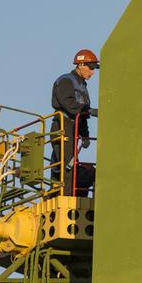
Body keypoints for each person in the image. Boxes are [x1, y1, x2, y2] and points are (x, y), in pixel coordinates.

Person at [51, 48, 99, 193]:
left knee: (68, 162)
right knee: (67, 164)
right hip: (62, 126)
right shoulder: (65, 81)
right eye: (90, 68)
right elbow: (69, 105)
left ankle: (69, 192)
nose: (92, 72)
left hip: (75, 127)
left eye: (94, 69)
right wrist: (88, 110)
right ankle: (65, 196)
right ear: (81, 65)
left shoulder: (82, 87)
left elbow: (83, 117)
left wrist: (85, 135)